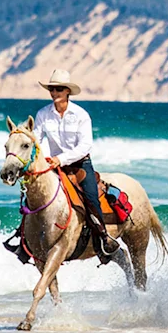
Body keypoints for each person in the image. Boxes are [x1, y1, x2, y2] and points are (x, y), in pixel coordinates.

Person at [33, 68, 117, 263]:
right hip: (53, 166)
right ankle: (25, 240)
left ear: (68, 91)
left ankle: (103, 237)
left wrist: (60, 159)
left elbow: (85, 145)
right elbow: (36, 140)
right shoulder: (43, 114)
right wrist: (45, 159)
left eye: (59, 89)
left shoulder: (81, 115)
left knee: (91, 198)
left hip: (79, 164)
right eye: (52, 90)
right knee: (32, 195)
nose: (54, 93)